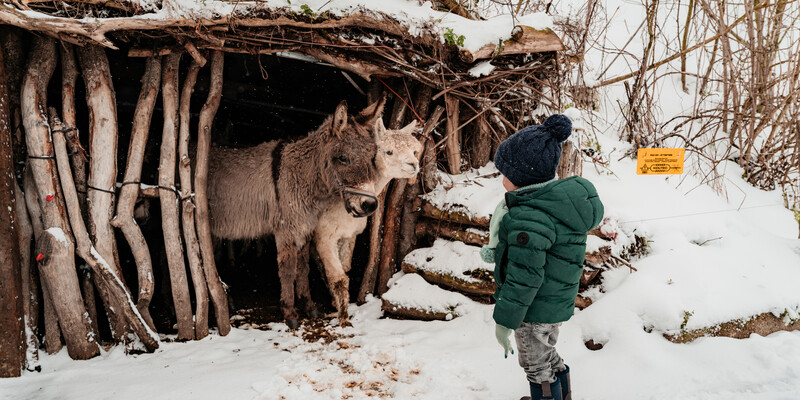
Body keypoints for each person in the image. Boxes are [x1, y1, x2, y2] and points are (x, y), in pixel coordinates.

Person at [480, 114, 604, 400]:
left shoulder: (529, 218)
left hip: (533, 311)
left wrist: (505, 321)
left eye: (506, 173)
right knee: (548, 357)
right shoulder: (554, 207)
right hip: (551, 306)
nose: (502, 180)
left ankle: (546, 396)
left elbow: (525, 276)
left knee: (536, 365)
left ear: (522, 176)